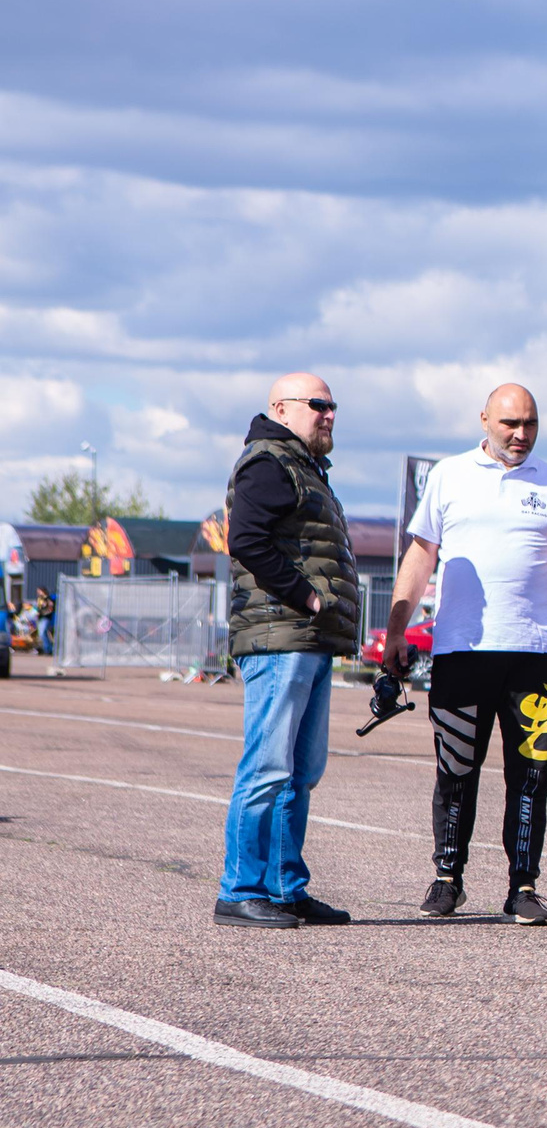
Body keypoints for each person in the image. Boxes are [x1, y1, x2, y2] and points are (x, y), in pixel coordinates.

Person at [381, 384, 547, 924]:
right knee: (455, 770)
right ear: (484, 419)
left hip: (535, 655)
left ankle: (523, 886)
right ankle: (447, 879)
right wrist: (395, 627)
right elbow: (419, 558)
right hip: (461, 650)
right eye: (509, 423)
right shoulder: (448, 476)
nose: (520, 434)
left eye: (529, 423)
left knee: (530, 774)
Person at [214, 373, 360, 928]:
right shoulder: (268, 461)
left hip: (306, 641)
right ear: (280, 407)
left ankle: (283, 887)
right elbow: (246, 539)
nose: (328, 414)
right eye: (317, 405)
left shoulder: (302, 465)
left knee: (301, 770)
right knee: (269, 766)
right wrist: (307, 597)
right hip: (279, 637)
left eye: (332, 406)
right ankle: (241, 887)